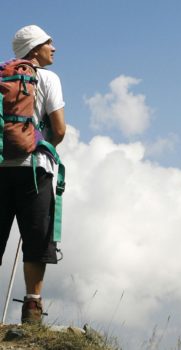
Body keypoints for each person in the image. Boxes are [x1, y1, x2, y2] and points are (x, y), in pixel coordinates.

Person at [0, 25, 66, 323]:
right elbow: (60, 129)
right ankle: (32, 309)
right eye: (48, 43)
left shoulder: (2, 78)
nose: (53, 48)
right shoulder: (48, 78)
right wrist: (41, 141)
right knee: (36, 241)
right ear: (35, 48)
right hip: (34, 170)